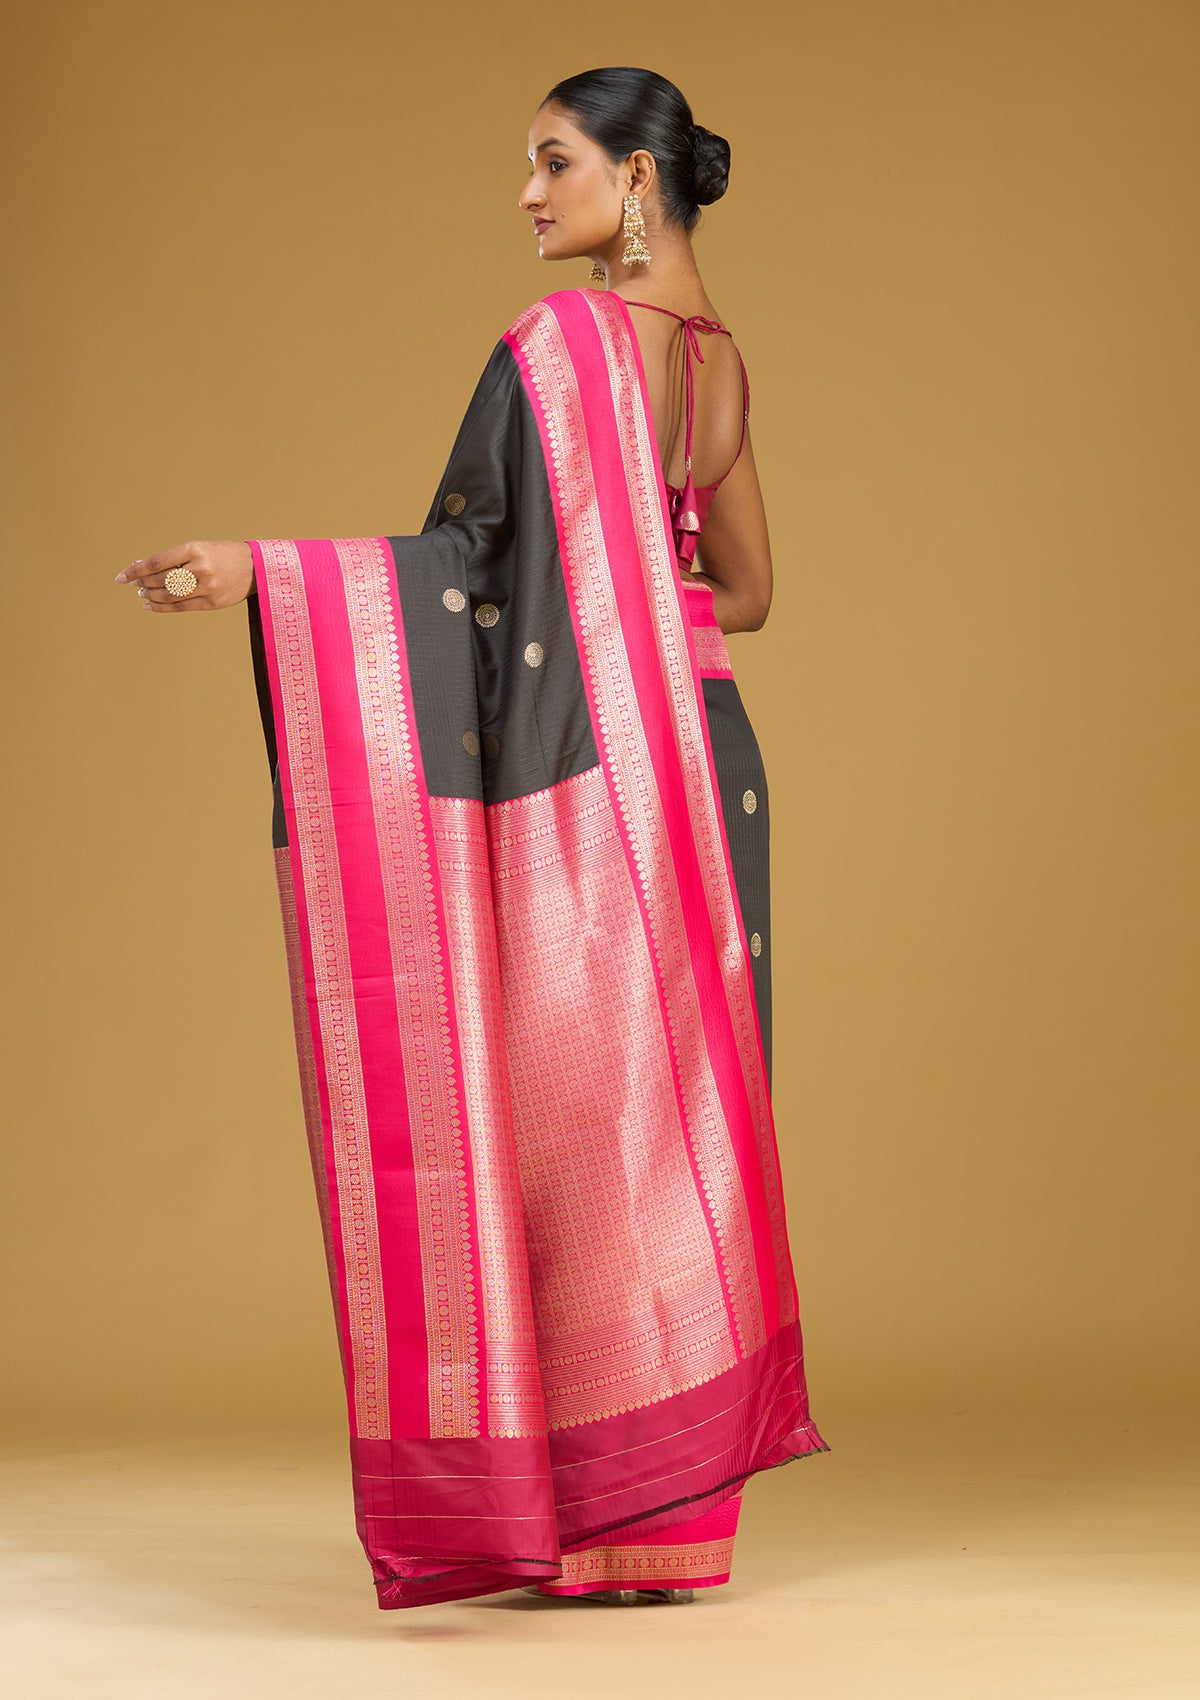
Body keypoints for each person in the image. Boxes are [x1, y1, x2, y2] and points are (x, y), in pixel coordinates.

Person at [114, 66, 830, 1612]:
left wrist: (259, 571)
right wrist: (635, 628)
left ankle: (575, 1518)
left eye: (554, 161)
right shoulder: (717, 363)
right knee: (666, 1127)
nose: (528, 193)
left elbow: (468, 568)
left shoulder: (568, 344)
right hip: (708, 765)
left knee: (561, 1114)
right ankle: (662, 1529)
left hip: (600, 775)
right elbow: (751, 595)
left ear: (638, 178)